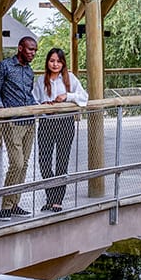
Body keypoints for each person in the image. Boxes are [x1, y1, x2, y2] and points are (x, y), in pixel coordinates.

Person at [32, 47, 88, 212]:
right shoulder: (41, 80)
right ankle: (50, 196)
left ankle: (57, 200)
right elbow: (33, 99)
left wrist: (67, 96)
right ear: (47, 62)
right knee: (44, 163)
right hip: (46, 124)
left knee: (61, 162)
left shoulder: (69, 78)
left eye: (58, 61)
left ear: (63, 63)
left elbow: (84, 97)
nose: (55, 64)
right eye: (52, 61)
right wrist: (42, 107)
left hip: (65, 123)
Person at [0, 36, 39, 220]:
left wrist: (40, 108)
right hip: (12, 122)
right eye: (30, 50)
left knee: (24, 165)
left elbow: (28, 94)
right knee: (16, 164)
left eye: (35, 50)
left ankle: (15, 203)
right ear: (20, 48)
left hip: (29, 121)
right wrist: (1, 111)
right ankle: (5, 206)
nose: (33, 53)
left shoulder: (29, 71)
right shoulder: (4, 66)